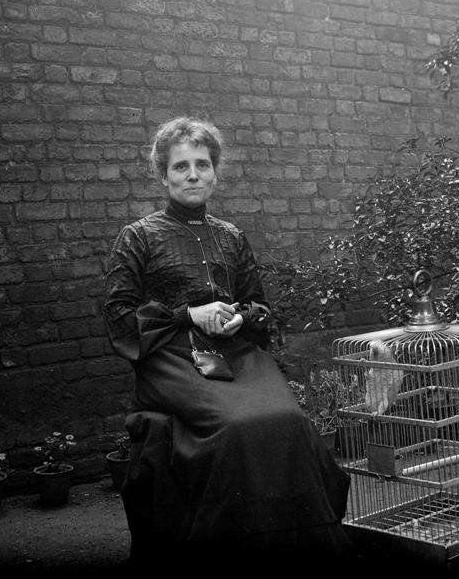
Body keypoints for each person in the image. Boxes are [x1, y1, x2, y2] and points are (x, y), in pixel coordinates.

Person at [103, 117, 351, 571]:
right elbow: (118, 317)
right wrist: (188, 314)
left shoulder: (230, 236)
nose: (193, 174)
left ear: (215, 172)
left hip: (234, 354)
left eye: (202, 164)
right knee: (235, 428)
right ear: (164, 176)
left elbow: (259, 306)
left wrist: (240, 316)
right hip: (173, 356)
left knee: (289, 421)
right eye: (181, 167)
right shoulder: (137, 236)